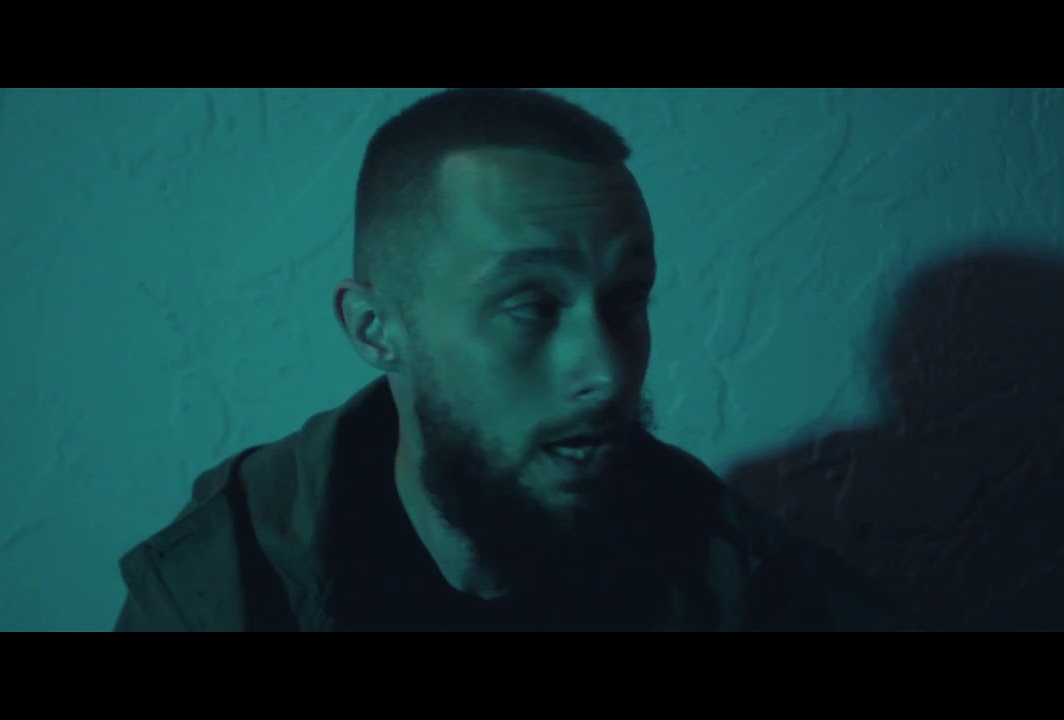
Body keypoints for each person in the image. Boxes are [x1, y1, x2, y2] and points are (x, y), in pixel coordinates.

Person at [113, 88, 899, 632]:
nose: (605, 372)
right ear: (376, 329)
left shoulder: (747, 584)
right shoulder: (230, 581)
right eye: (531, 307)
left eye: (626, 300)